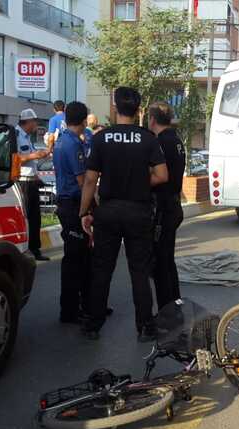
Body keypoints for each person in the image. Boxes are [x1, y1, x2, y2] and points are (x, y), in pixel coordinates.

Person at [80, 87, 169, 341]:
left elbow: (90, 180)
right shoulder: (148, 139)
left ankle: (93, 325)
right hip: (138, 212)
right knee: (139, 271)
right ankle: (145, 327)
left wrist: (84, 212)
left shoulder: (100, 138)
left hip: (107, 212)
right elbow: (162, 175)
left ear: (115, 107)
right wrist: (140, 182)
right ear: (138, 110)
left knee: (102, 270)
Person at [52, 101, 92, 323]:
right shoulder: (74, 144)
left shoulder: (61, 140)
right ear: (84, 121)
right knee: (75, 259)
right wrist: (89, 208)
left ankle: (84, 305)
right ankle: (70, 310)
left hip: (66, 203)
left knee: (81, 257)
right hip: (73, 205)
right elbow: (82, 181)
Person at [147, 101, 186, 310]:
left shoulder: (159, 142)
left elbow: (160, 176)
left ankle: (166, 311)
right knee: (167, 259)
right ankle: (175, 302)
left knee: (159, 262)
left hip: (162, 207)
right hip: (173, 204)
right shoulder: (177, 140)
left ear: (152, 119)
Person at [16, 108, 51, 261]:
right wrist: (34, 155)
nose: (36, 125)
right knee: (26, 217)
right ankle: (25, 250)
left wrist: (37, 176)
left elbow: (30, 162)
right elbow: (15, 158)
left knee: (35, 218)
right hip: (22, 182)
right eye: (35, 121)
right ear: (28, 122)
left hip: (31, 181)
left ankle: (35, 249)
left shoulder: (27, 137)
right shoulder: (16, 135)